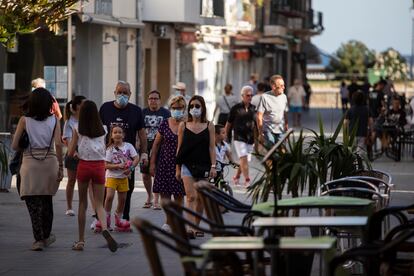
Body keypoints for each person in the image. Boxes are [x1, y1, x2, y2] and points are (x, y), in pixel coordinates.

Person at [11, 88, 63, 251]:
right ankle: (46, 236)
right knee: (47, 201)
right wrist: (61, 167)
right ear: (49, 103)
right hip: (50, 164)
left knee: (33, 204)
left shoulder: (24, 121)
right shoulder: (55, 120)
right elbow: (59, 145)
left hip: (29, 165)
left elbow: (14, 145)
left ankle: (38, 239)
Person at [68, 100, 118, 252]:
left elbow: (70, 153)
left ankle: (81, 241)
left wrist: (76, 153)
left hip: (84, 166)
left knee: (82, 204)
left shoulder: (77, 128)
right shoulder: (103, 129)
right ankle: (104, 228)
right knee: (99, 204)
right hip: (99, 167)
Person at [99, 81, 147, 221]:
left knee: (127, 190)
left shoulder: (136, 111)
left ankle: (124, 217)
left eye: (125, 93)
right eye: (119, 92)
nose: (122, 95)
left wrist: (143, 153)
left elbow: (142, 134)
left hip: (128, 158)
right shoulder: (105, 108)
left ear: (130, 94)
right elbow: (98, 131)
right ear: (114, 93)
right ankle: (100, 217)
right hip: (108, 156)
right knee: (105, 191)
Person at [176, 95, 216, 238]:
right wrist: (178, 168)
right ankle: (190, 228)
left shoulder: (209, 125)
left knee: (201, 198)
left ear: (203, 108)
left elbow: (212, 148)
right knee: (191, 197)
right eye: (192, 106)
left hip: (204, 165)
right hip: (187, 164)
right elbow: (179, 148)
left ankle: (196, 225)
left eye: (197, 106)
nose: (194, 109)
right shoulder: (183, 125)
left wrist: (213, 166)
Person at [150, 95, 186, 232]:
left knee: (178, 196)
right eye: (174, 108)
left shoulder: (187, 123)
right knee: (165, 197)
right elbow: (156, 144)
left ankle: (172, 221)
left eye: (180, 108)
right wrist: (152, 163)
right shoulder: (165, 123)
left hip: (180, 164)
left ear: (184, 108)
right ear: (171, 108)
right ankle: (170, 219)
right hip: (164, 163)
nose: (177, 110)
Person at [103, 126, 139, 232]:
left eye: (120, 132)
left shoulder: (128, 146)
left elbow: (136, 158)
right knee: (109, 197)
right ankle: (106, 219)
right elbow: (105, 165)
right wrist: (118, 166)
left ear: (123, 135)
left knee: (122, 200)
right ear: (112, 135)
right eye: (115, 132)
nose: (117, 134)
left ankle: (118, 220)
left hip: (124, 177)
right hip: (112, 177)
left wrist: (131, 168)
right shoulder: (110, 149)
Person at [141, 90, 170, 210]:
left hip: (161, 147)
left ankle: (156, 200)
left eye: (155, 98)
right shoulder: (142, 112)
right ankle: (149, 196)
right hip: (145, 146)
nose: (153, 100)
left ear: (160, 100)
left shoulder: (166, 113)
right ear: (148, 100)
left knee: (157, 173)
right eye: (151, 98)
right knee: (145, 174)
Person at [225, 86, 256, 186]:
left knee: (244, 160)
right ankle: (247, 180)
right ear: (242, 96)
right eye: (248, 95)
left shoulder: (253, 108)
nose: (250, 97)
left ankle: (236, 176)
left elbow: (256, 125)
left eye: (251, 95)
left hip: (250, 138)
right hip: (239, 137)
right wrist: (225, 135)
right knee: (243, 157)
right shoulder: (236, 108)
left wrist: (258, 137)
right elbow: (228, 123)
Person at [62, 95, 86, 216]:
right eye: (83, 104)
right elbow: (65, 138)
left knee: (88, 182)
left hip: (86, 152)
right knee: (71, 180)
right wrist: (74, 151)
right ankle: (69, 207)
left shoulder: (87, 119)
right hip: (72, 152)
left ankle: (91, 207)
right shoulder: (69, 121)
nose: (85, 106)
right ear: (76, 106)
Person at [256, 74, 289, 147]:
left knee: (282, 151)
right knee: (271, 151)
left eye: (284, 85)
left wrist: (286, 129)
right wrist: (260, 133)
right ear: (274, 86)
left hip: (281, 130)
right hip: (268, 130)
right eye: (281, 86)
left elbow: (285, 113)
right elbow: (259, 116)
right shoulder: (265, 97)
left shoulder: (284, 97)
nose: (284, 87)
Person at [344, 91, 373, 155]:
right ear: (363, 99)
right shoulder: (367, 109)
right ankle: (359, 162)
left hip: (351, 134)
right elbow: (370, 122)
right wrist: (370, 131)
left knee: (352, 150)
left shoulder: (350, 110)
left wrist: (345, 133)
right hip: (363, 134)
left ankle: (354, 162)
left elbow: (346, 123)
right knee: (360, 150)